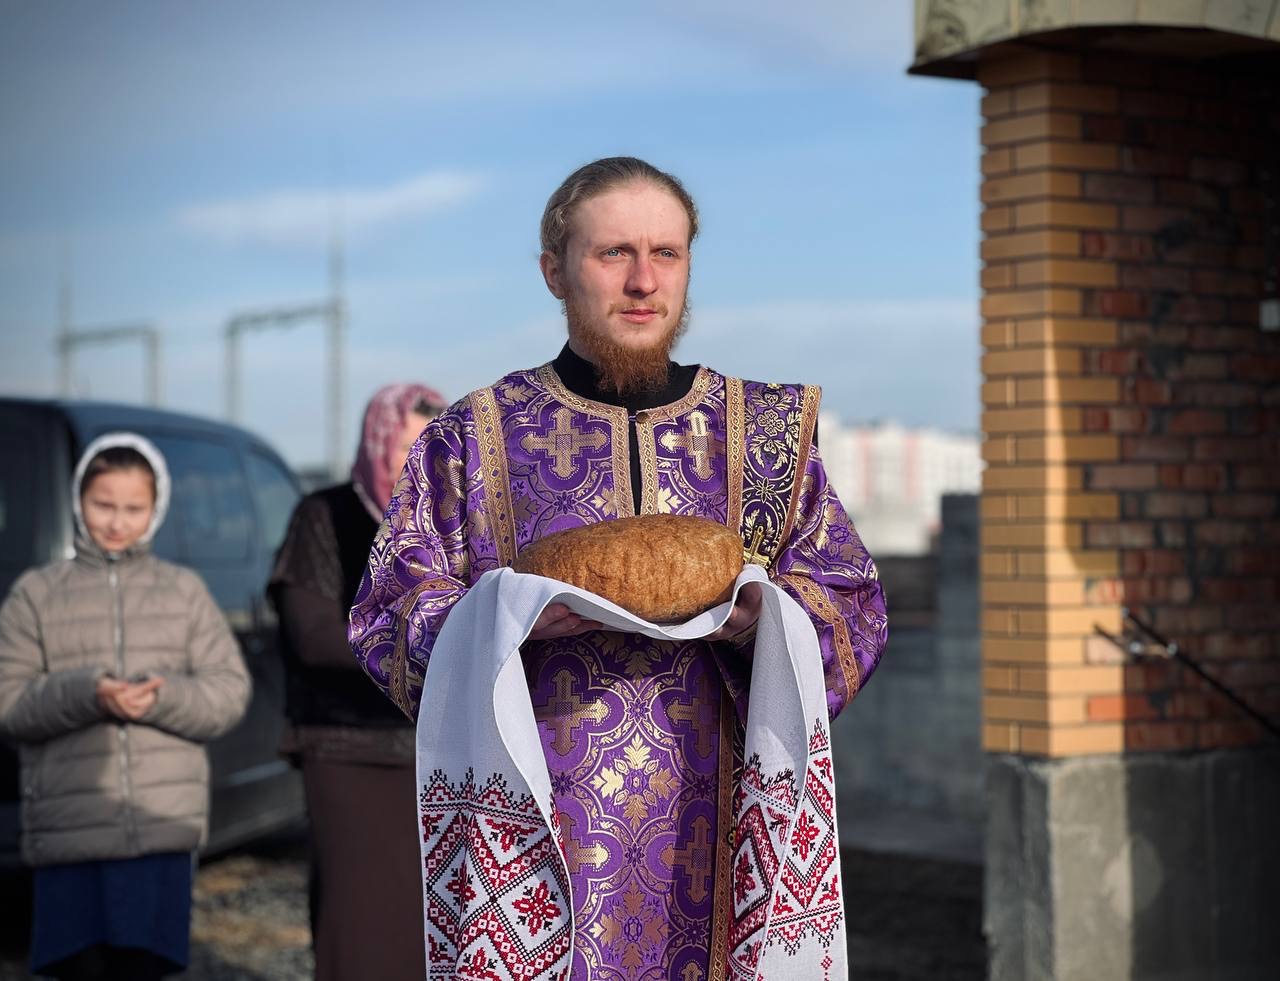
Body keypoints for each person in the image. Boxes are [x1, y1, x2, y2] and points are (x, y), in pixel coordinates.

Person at [348, 156, 889, 978]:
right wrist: (503, 624)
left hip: (724, 821)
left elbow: (854, 602)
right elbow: (387, 612)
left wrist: (767, 623)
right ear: (554, 272)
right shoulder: (470, 440)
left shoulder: (766, 434)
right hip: (537, 833)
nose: (644, 280)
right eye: (614, 253)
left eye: (666, 253)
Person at [0, 433, 251, 981]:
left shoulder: (183, 592)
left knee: (144, 969)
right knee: (79, 969)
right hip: (69, 835)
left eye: (133, 508)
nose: (117, 522)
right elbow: (10, 704)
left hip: (159, 833)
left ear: (155, 509)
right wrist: (88, 693)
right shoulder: (36, 594)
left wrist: (162, 697)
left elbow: (229, 692)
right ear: (78, 500)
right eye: (103, 505)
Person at [268, 383, 446, 981]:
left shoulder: (449, 528)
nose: (416, 462)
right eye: (404, 447)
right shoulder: (324, 516)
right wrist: (424, 641)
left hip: (432, 752)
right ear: (376, 443)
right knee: (360, 917)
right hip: (347, 750)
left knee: (429, 922)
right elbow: (313, 635)